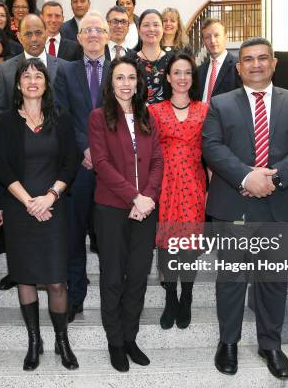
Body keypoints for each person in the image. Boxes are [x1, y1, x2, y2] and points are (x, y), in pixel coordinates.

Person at [202, 37, 288, 380]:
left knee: (272, 280)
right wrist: (246, 178)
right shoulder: (220, 104)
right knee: (230, 280)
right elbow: (212, 147)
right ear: (238, 68)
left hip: (278, 205)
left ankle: (270, 344)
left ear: (274, 64)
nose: (256, 64)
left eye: (263, 58)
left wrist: (274, 178)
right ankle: (228, 343)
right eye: (248, 60)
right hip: (233, 206)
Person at [0, 58, 81, 371]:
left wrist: (50, 196)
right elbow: (2, 167)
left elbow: (71, 162)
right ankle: (34, 341)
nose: (32, 80)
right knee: (25, 278)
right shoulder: (5, 121)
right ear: (17, 84)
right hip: (20, 209)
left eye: (38, 75)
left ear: (46, 83)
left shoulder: (61, 117)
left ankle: (61, 340)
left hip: (54, 208)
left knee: (57, 281)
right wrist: (30, 201)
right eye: (26, 76)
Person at [88, 56, 163, 372]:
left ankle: (130, 338)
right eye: (119, 77)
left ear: (138, 82)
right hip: (111, 209)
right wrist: (134, 196)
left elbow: (158, 161)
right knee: (113, 277)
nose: (126, 83)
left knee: (138, 278)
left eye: (131, 77)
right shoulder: (98, 117)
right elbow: (101, 164)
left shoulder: (149, 116)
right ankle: (115, 341)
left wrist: (147, 198)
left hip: (145, 210)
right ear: (111, 83)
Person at [54, 11, 110, 323]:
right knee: (74, 237)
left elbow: (124, 114)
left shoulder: (121, 70)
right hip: (77, 166)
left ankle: (111, 298)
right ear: (78, 37)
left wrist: (100, 151)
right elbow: (61, 114)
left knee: (108, 238)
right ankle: (76, 296)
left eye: (97, 29)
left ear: (107, 35)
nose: (92, 34)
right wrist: (85, 147)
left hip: (110, 169)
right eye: (86, 29)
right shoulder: (65, 71)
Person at [149, 52, 207, 330]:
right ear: (168, 77)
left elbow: (213, 151)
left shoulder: (205, 109)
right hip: (165, 185)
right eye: (177, 72)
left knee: (189, 246)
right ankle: (171, 296)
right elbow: (147, 152)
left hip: (194, 184)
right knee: (167, 246)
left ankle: (187, 296)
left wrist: (212, 187)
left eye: (187, 72)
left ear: (192, 77)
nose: (182, 78)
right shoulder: (154, 111)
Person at [0, 13, 69, 119]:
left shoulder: (65, 67)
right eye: (28, 34)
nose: (34, 39)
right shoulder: (4, 70)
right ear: (19, 37)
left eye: (38, 33)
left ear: (46, 34)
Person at [197, 18, 241, 103]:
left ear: (225, 37)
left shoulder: (238, 67)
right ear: (203, 41)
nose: (212, 41)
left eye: (216, 35)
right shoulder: (200, 70)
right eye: (207, 37)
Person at [133, 9, 169, 105]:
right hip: (138, 117)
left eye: (156, 25)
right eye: (146, 25)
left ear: (163, 29)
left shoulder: (173, 61)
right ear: (138, 30)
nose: (151, 29)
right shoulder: (129, 61)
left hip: (167, 118)